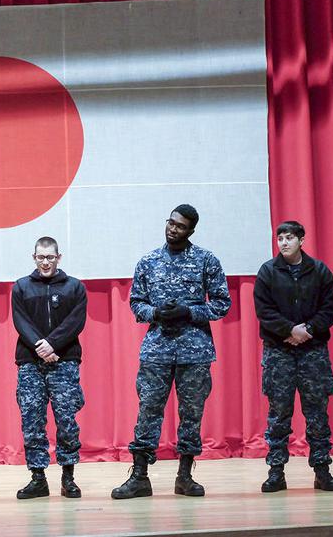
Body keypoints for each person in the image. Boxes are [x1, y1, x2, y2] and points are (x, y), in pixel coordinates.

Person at [112, 205, 232, 499]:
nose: (172, 229)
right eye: (170, 222)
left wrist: (188, 312)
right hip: (157, 350)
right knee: (148, 411)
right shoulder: (148, 261)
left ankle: (185, 476)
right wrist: (156, 313)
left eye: (180, 226)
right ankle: (140, 476)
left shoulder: (206, 260)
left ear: (191, 231)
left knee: (191, 414)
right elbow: (136, 303)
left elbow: (221, 303)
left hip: (195, 351)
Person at [252, 221, 333, 493]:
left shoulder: (320, 271)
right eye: (280, 238)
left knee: (317, 414)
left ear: (302, 240)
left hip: (313, 352)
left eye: (289, 238)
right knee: (279, 414)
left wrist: (308, 330)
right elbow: (264, 311)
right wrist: (289, 330)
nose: (284, 243)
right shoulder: (267, 272)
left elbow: (330, 309)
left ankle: (322, 470)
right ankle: (276, 472)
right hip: (279, 351)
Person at [11, 237, 87, 499]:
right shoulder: (21, 287)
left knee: (67, 420)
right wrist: (39, 347)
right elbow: (20, 321)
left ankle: (68, 477)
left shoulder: (74, 287)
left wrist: (52, 345)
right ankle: (38, 478)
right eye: (41, 257)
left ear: (59, 258)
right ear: (34, 257)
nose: (45, 262)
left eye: (50, 257)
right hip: (30, 363)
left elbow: (75, 322)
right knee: (32, 421)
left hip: (64, 362)